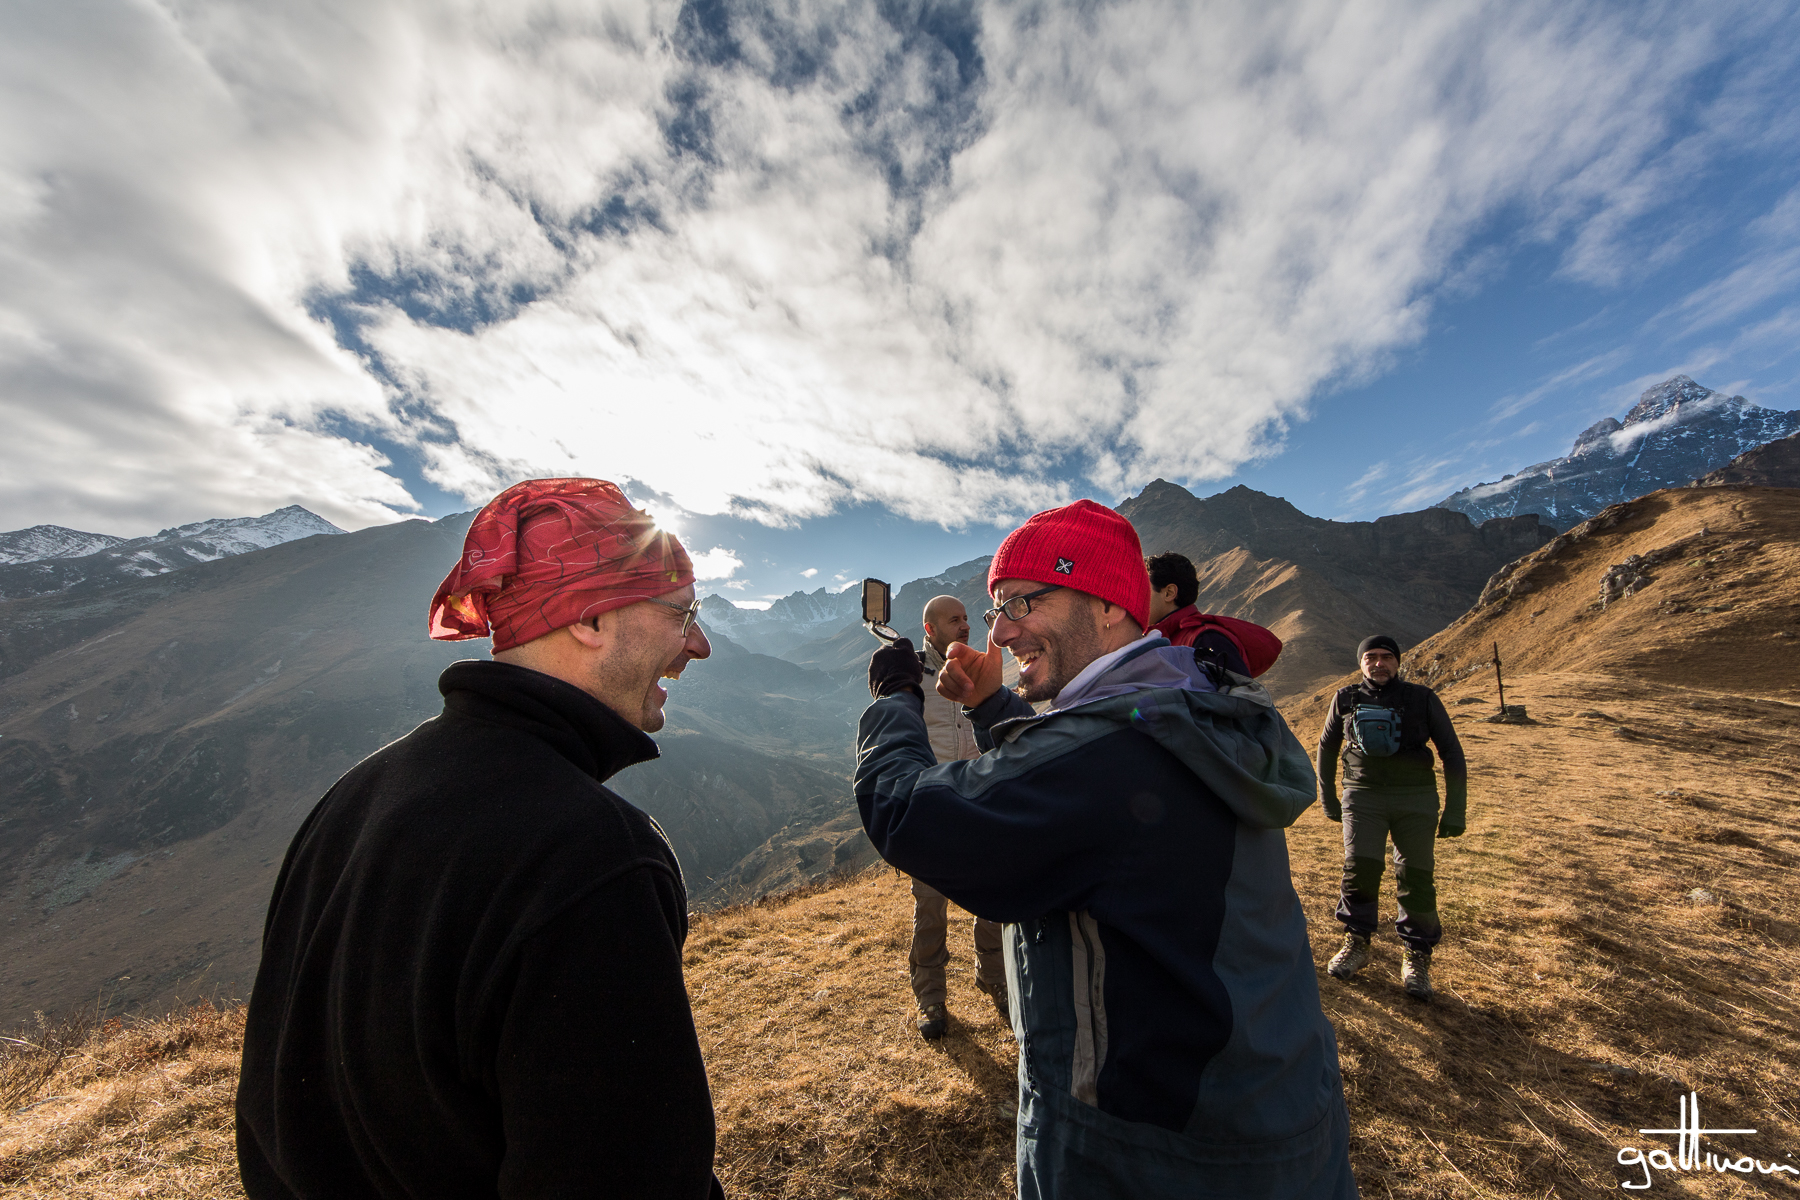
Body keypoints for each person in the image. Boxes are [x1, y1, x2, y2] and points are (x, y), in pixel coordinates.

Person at [236, 478, 725, 1200]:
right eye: (682, 614)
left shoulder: (355, 794)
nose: (699, 646)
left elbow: (273, 1101)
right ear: (591, 617)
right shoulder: (594, 855)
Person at [856, 499, 1356, 1200]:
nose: (999, 631)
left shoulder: (1111, 752)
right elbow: (1087, 788)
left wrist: (892, 696)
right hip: (1273, 1114)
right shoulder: (1193, 701)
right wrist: (993, 707)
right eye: (995, 608)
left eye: (1021, 603)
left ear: (1108, 606)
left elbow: (906, 812)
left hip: (1152, 1157)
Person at [1314, 635, 1468, 1002]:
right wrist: (1328, 796)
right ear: (1361, 663)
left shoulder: (1422, 698)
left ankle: (1417, 955)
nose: (1379, 663)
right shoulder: (1345, 698)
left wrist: (1455, 809)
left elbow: (1451, 750)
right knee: (1359, 870)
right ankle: (1357, 943)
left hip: (1416, 799)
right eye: (1371, 657)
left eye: (1386, 657)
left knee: (1416, 875)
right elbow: (1327, 747)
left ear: (1398, 662)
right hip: (1363, 797)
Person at [908, 594, 1007, 1039]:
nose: (965, 625)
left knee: (992, 898)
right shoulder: (911, 676)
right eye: (954, 620)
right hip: (932, 809)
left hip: (978, 802)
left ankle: (994, 976)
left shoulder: (979, 668)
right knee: (930, 909)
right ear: (930, 629)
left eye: (967, 618)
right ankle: (931, 997)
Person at [1145, 551, 1281, 678]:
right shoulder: (1161, 641)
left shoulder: (1208, 640)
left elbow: (1236, 695)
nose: (1135, 599)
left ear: (1169, 593)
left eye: (1142, 589)